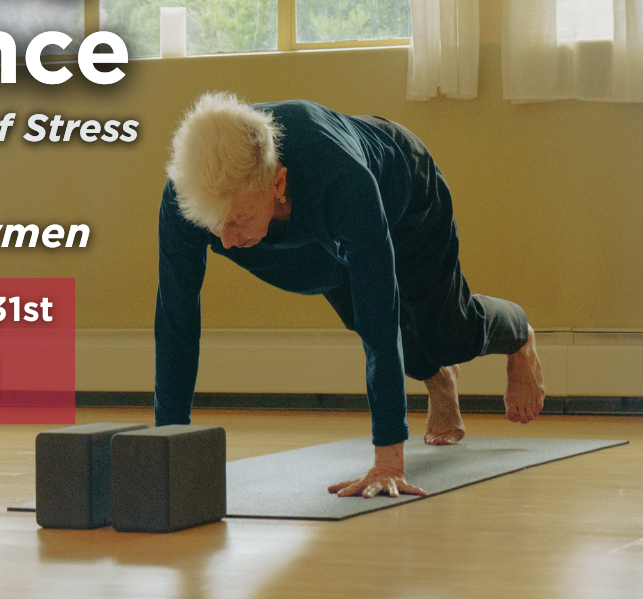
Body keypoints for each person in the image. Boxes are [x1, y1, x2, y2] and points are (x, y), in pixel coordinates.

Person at [155, 92, 546, 499]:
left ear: (279, 182)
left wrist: (388, 461)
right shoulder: (185, 199)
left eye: (237, 221)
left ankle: (519, 335)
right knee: (383, 332)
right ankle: (438, 380)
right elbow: (175, 323)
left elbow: (381, 318)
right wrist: (166, 451)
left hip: (404, 200)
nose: (227, 242)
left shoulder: (341, 179)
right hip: (314, 238)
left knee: (447, 334)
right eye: (215, 226)